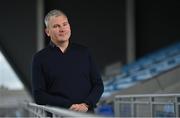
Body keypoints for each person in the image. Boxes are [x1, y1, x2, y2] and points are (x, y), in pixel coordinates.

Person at [31, 9, 104, 113]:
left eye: (64, 24)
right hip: (58, 115)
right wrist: (67, 105)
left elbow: (98, 85)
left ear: (69, 26)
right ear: (47, 32)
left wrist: (86, 104)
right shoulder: (40, 58)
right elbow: (39, 95)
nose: (62, 29)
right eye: (56, 26)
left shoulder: (84, 52)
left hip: (86, 114)